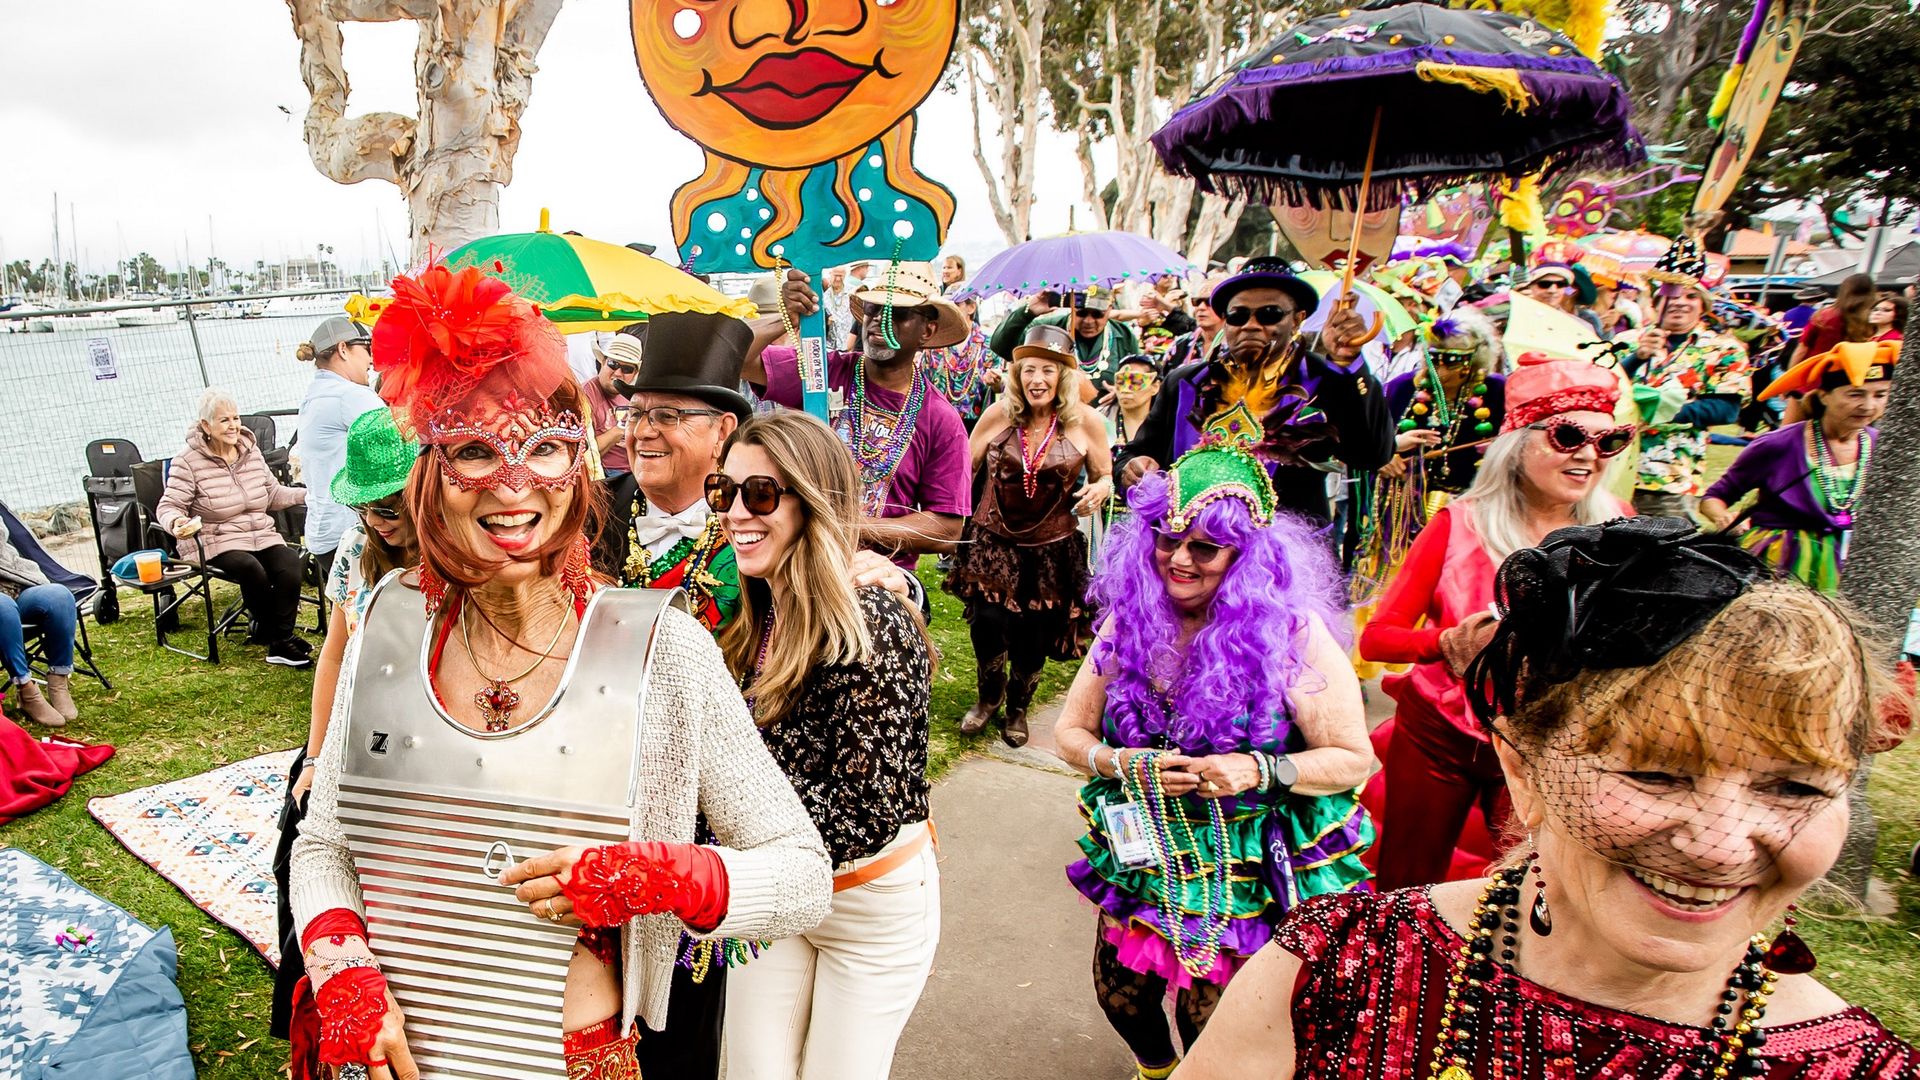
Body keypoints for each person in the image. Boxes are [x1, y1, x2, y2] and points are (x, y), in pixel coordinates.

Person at [288, 266, 831, 1080]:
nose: (514, 487)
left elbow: (801, 874)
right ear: (430, 475)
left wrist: (659, 875)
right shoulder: (385, 624)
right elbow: (325, 841)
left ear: (579, 469)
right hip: (393, 1054)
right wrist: (343, 973)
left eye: (543, 449)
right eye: (474, 451)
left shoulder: (661, 649)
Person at [1182, 518, 1917, 1079]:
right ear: (1524, 771)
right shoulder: (1339, 963)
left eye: (1794, 787)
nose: (1719, 844)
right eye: (1656, 776)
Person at [1051, 441, 1375, 1080]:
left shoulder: (1293, 634)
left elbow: (1352, 760)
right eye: (1168, 539)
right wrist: (1121, 763)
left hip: (1247, 862)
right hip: (1146, 848)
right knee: (1122, 998)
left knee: (1214, 1022)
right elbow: (1069, 733)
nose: (1179, 558)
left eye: (1205, 547)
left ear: (1245, 557)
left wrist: (1257, 769)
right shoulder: (1129, 623)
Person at [710, 411, 940, 1080]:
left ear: (814, 501)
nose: (735, 514)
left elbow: (866, 812)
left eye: (761, 495)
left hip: (869, 907)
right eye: (725, 492)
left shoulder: (873, 620)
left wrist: (717, 869)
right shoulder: (755, 609)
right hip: (776, 895)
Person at [1359, 356, 1631, 890]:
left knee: (1534, 887)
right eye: (1569, 434)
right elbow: (1377, 636)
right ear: (1518, 442)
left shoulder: (1619, 527)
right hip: (1440, 736)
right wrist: (1446, 641)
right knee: (1408, 884)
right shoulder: (1457, 525)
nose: (1588, 455)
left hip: (1552, 741)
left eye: (1609, 441)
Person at [270, 406, 418, 1044]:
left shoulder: (466, 557)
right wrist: (315, 756)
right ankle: (306, 1006)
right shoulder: (359, 548)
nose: (378, 522)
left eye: (391, 507)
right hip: (351, 731)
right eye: (367, 507)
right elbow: (333, 651)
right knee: (295, 846)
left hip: (412, 748)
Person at [1118, 256, 1394, 528]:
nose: (1251, 324)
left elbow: (1371, 454)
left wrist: (1348, 364)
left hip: (1283, 559)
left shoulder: (1325, 380)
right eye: (1238, 316)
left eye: (1269, 314)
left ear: (1297, 320)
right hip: (1188, 552)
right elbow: (1134, 455)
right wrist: (1132, 470)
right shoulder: (1185, 382)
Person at [946, 325, 1113, 746]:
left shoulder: (1087, 422)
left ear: (1063, 377)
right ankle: (988, 698)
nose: (1037, 380)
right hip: (993, 542)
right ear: (1017, 376)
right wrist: (950, 518)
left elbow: (1105, 474)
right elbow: (964, 468)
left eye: (1048, 371)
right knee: (987, 624)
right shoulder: (999, 415)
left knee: (1033, 633)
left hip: (1052, 550)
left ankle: (1018, 707)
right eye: (1029, 370)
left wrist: (1100, 488)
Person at [746, 262, 973, 565]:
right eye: (873, 309)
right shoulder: (822, 372)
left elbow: (947, 528)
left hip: (877, 579)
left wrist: (852, 527)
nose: (880, 321)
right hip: (800, 563)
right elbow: (734, 358)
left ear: (927, 330)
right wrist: (784, 319)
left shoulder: (940, 419)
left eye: (898, 314)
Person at [1702, 341, 1896, 593]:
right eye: (1855, 394)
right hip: (1778, 566)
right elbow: (1714, 497)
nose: (1868, 406)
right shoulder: (1777, 445)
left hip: (1849, 564)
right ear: (1824, 395)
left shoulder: (1882, 446)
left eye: (1880, 395)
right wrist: (1722, 516)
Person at [157, 389, 310, 667]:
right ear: (206, 426)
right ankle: (279, 638)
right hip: (216, 538)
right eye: (224, 420)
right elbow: (168, 506)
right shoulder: (187, 461)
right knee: (251, 568)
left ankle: (279, 639)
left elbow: (274, 495)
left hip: (259, 534)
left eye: (236, 418)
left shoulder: (250, 453)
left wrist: (307, 494)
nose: (233, 426)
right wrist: (176, 522)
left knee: (290, 562)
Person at [1614, 234, 1751, 520]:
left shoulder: (1722, 349)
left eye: (1690, 296)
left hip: (1669, 474)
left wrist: (1660, 411)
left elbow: (1726, 409)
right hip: (1612, 465)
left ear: (1703, 304)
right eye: (1671, 295)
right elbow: (1601, 385)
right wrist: (1635, 358)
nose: (1680, 303)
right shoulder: (1626, 342)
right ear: (1657, 300)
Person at [296, 316, 385, 583]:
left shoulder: (316, 393)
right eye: (367, 348)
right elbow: (401, 443)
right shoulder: (349, 396)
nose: (372, 359)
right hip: (351, 529)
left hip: (323, 530)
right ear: (343, 349)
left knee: (351, 613)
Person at [990, 284, 1141, 398]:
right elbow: (1000, 347)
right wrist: (1028, 312)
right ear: (1072, 308)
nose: (1088, 321)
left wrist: (1123, 392)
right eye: (1081, 313)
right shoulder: (1047, 328)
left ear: (1109, 309)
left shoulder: (1124, 335)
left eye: (1097, 315)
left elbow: (1138, 378)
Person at [0, 531, 80, 727]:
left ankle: (59, 680)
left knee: (59, 596)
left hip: (15, 583)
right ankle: (26, 690)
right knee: (4, 608)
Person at [919, 291, 1000, 427]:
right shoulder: (934, 344)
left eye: (956, 305)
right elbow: (921, 386)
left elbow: (999, 389)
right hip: (936, 423)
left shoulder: (989, 346)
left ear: (971, 308)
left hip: (976, 426)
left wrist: (997, 383)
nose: (950, 312)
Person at [584, 330, 640, 479]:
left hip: (637, 469)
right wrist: (618, 431)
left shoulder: (634, 395)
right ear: (603, 362)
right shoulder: (585, 395)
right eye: (613, 364)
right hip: (607, 476)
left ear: (635, 374)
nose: (618, 373)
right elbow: (585, 454)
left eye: (627, 369)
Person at [1792, 272, 1878, 363]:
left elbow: (1802, 350)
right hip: (1856, 369)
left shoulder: (1823, 316)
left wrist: (1790, 374)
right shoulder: (1875, 318)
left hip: (1819, 368)